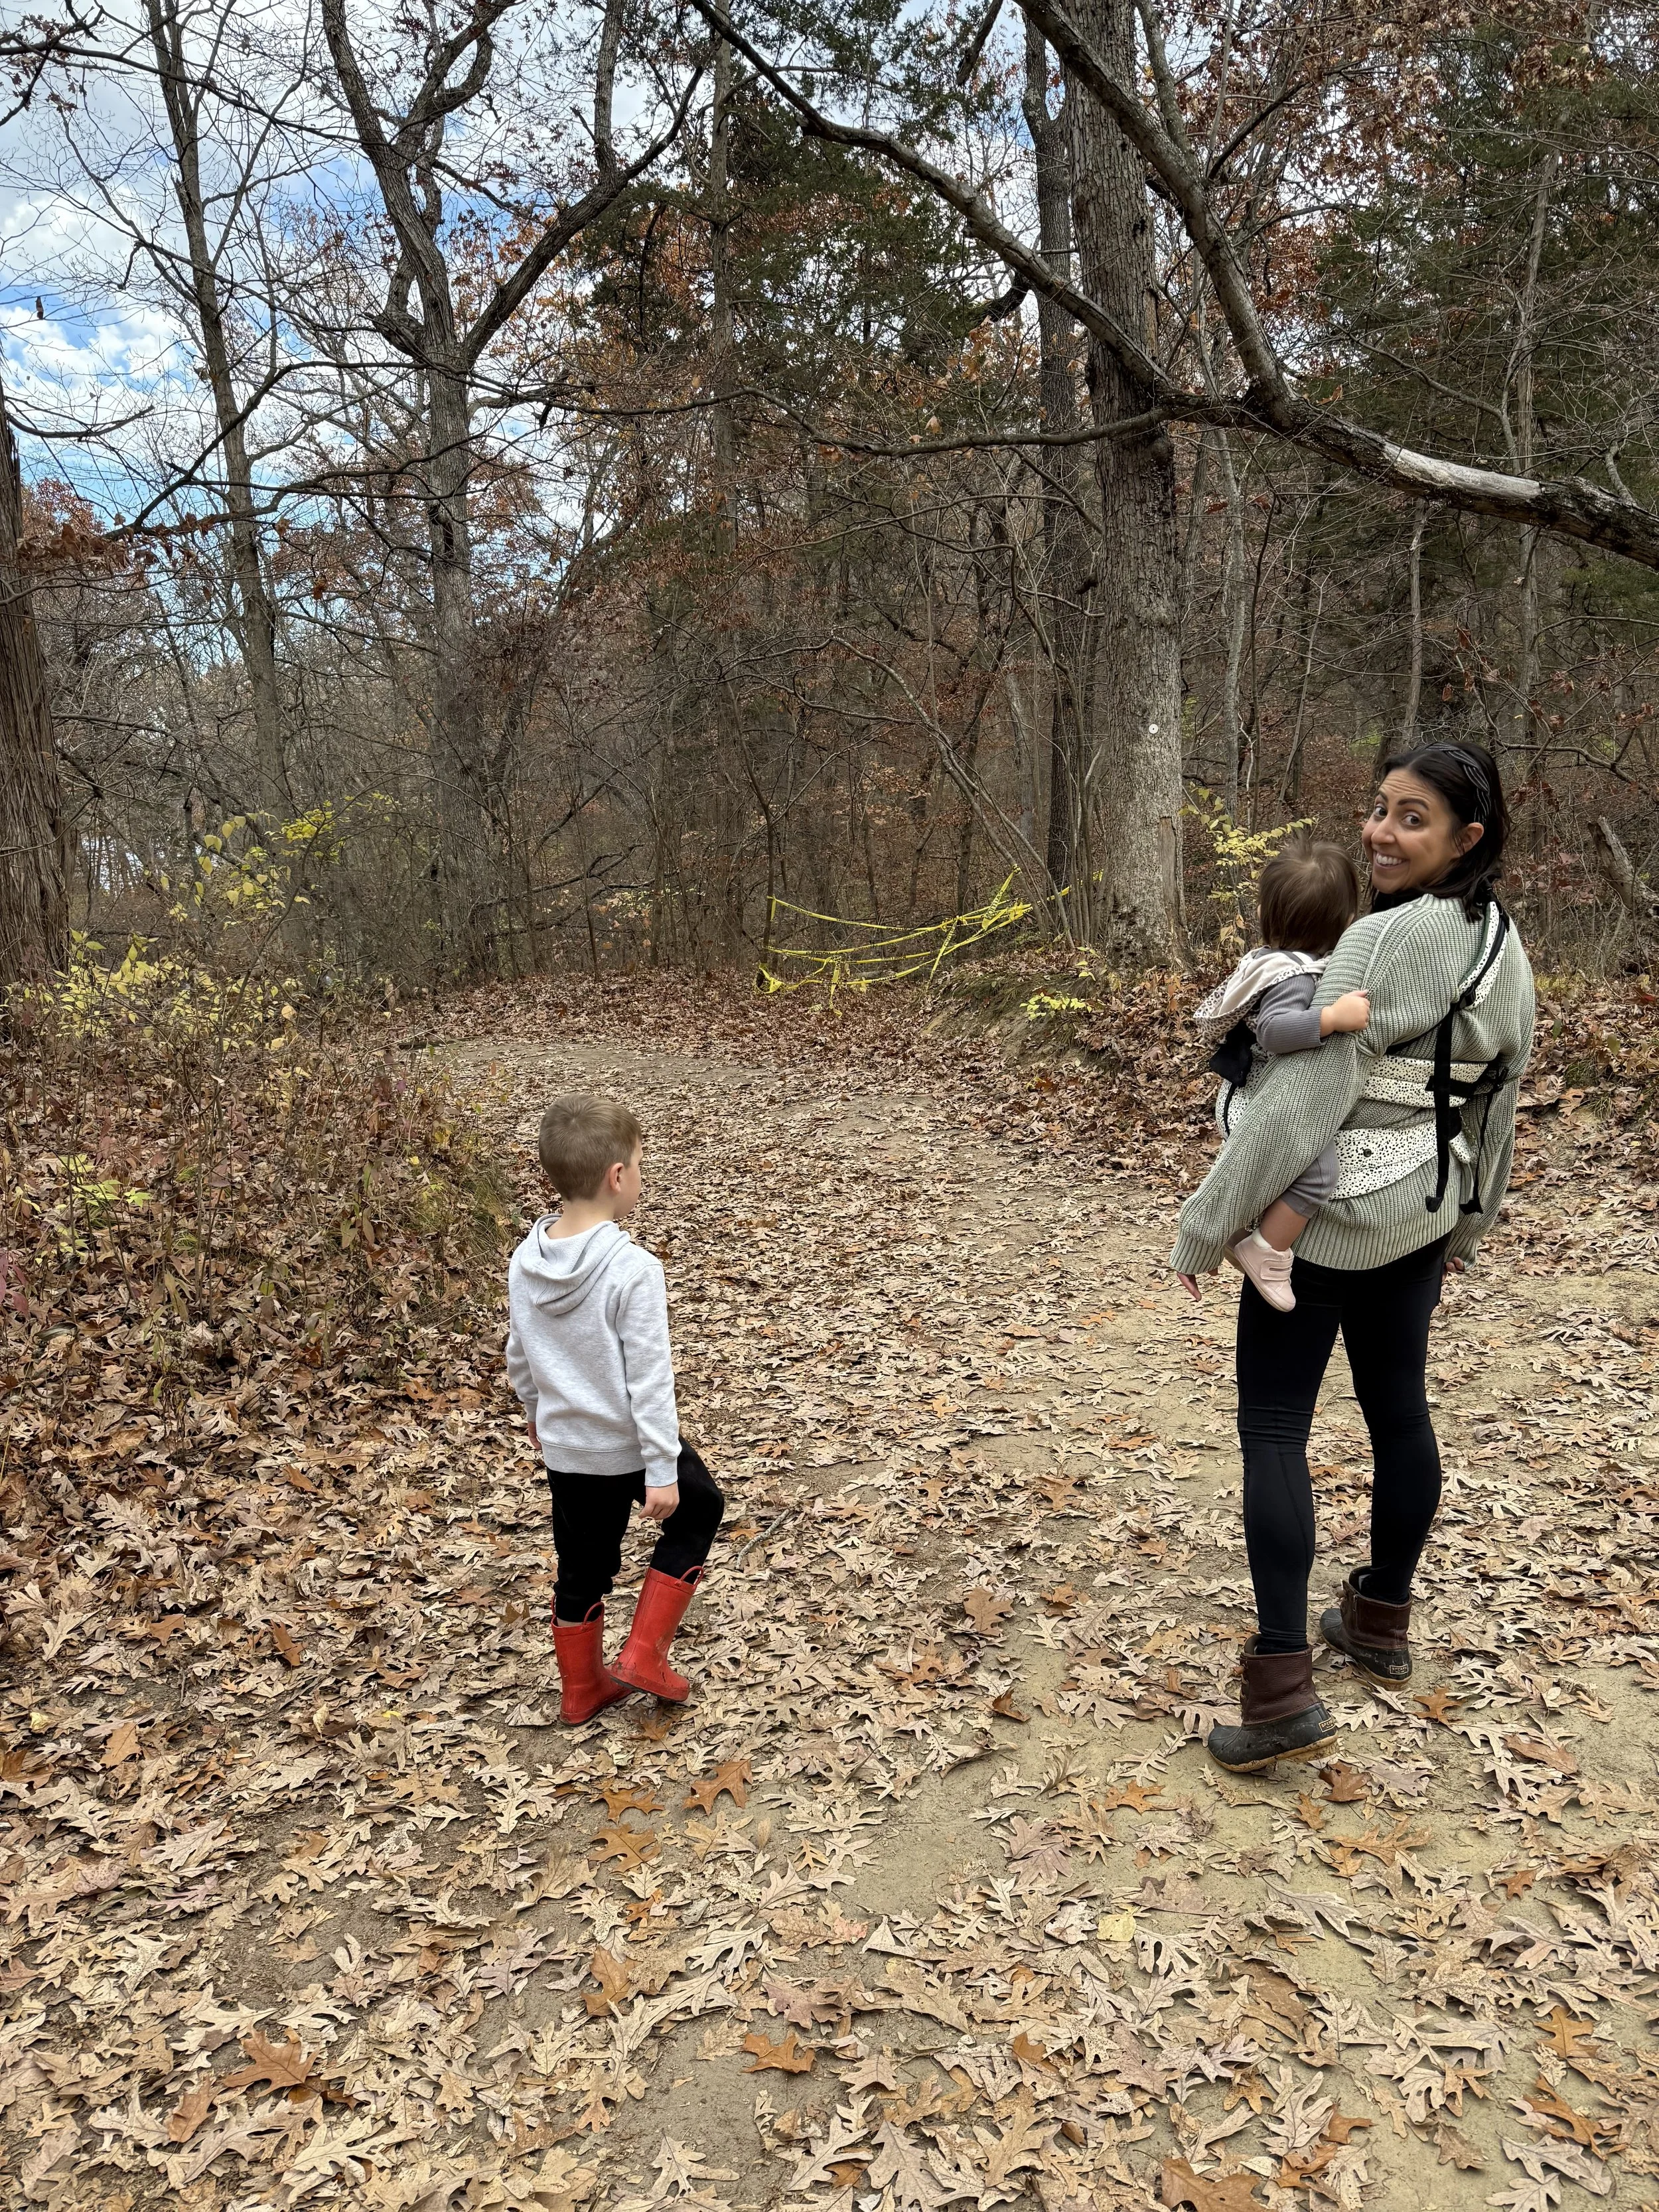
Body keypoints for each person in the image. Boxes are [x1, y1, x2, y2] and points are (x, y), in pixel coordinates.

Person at [1171, 741, 1534, 1773]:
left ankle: (1281, 1684)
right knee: (1399, 1410)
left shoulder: (1379, 939)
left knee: (1276, 1429)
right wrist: (1472, 1211)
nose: (1380, 831)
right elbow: (1498, 1091)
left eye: (1412, 817)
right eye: (1379, 809)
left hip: (1323, 1226)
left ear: (1467, 838)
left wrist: (1208, 1223)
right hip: (1422, 1210)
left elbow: (1298, 1105)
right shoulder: (1502, 942)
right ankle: (1379, 1620)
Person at [506, 1093, 725, 1724]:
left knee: (583, 1565)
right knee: (700, 1507)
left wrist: (535, 1410)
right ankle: (643, 1654)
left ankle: (581, 1691)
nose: (640, 1177)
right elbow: (650, 1380)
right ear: (617, 1176)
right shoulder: (633, 1268)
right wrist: (661, 1465)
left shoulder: (526, 1261)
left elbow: (519, 1350)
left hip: (569, 1447)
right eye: (640, 1165)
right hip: (627, 1445)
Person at [1194, 838, 1375, 1313]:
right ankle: (1266, 1251)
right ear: (1344, 922)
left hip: (1262, 1090)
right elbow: (1274, 1031)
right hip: (1270, 1096)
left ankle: (1243, 1229)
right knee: (1318, 1175)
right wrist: (1331, 1018)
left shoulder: (1275, 960)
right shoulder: (1294, 976)